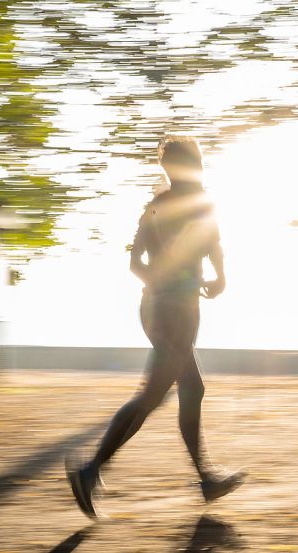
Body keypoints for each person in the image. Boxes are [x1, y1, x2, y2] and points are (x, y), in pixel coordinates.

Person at [67, 135, 245, 518]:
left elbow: (202, 247)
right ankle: (91, 469)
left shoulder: (173, 205)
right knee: (155, 393)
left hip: (170, 308)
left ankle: (205, 480)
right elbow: (148, 259)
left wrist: (214, 277)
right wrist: (187, 280)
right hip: (169, 311)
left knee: (188, 388)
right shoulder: (174, 205)